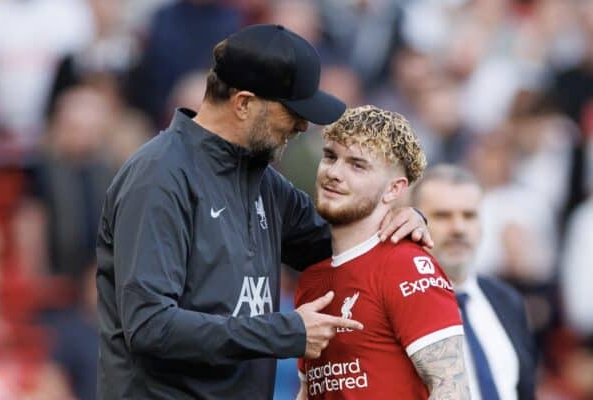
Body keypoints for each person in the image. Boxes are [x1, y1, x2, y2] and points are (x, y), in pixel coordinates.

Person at [96, 24, 431, 399]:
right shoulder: (159, 177)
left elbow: (337, 243)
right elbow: (150, 326)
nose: (302, 126)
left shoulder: (261, 180)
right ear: (243, 104)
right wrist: (286, 332)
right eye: (292, 111)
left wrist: (401, 222)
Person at [295, 106, 468, 399]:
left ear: (393, 190)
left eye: (357, 165)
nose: (334, 173)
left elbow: (452, 388)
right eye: (330, 156)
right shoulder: (312, 278)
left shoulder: (406, 264)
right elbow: (309, 391)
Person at [412, 164, 537, 400]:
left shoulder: (508, 301)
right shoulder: (401, 305)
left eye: (469, 215)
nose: (458, 228)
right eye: (442, 215)